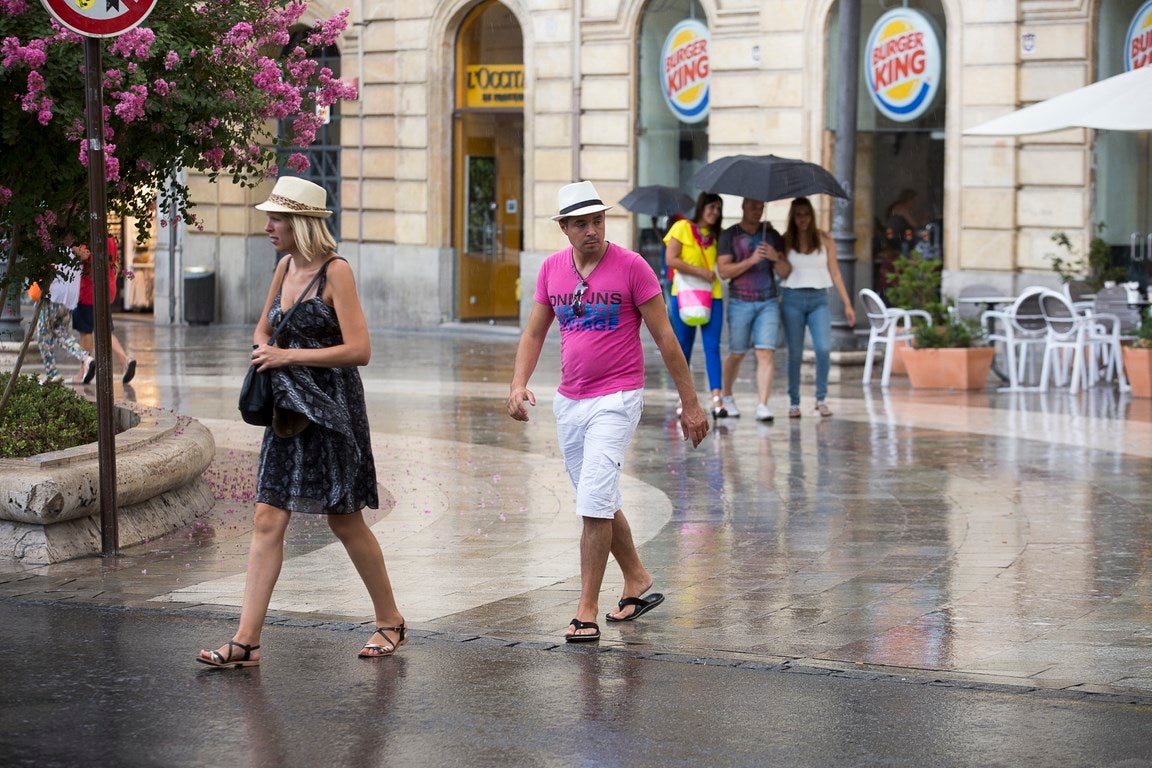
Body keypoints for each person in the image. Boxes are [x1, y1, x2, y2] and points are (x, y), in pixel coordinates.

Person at [198, 176, 405, 668]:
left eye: (276, 218)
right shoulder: (284, 265)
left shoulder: (337, 272)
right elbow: (263, 327)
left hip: (330, 412)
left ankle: (390, 619)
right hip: (287, 413)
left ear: (301, 222)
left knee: (344, 519)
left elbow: (361, 350)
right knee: (267, 516)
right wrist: (269, 352)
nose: (268, 226)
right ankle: (246, 641)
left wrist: (289, 357)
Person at [507, 180, 710, 643]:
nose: (593, 230)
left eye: (598, 220)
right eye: (582, 224)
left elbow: (665, 338)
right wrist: (518, 384)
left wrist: (691, 403)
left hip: (617, 399)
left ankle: (586, 609)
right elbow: (535, 333)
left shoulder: (633, 268)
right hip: (570, 401)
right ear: (564, 228)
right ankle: (637, 577)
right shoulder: (551, 271)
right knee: (594, 498)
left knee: (594, 501)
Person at [779, 197, 856, 419]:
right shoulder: (785, 240)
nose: (803, 219)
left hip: (819, 298)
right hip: (792, 297)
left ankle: (821, 398)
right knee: (795, 352)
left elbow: (836, 272)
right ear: (793, 217)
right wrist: (777, 257)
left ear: (812, 216)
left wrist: (848, 304)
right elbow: (781, 272)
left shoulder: (825, 239)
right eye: (798, 214)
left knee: (823, 348)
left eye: (806, 214)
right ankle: (794, 401)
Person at [716, 198, 791, 422]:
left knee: (766, 352)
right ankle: (727, 395)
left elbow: (786, 271)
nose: (757, 211)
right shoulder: (730, 235)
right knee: (737, 352)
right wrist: (752, 260)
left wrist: (774, 257)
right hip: (740, 301)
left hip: (768, 301)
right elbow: (724, 271)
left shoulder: (772, 235)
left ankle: (763, 404)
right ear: (743, 207)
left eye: (760, 207)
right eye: (752, 207)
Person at [663, 192, 727, 417]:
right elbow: (671, 259)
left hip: (713, 295)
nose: (715, 213)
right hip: (684, 294)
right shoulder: (682, 227)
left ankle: (717, 397)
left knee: (713, 347)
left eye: (719, 209)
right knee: (683, 348)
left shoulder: (719, 236)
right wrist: (700, 271)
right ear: (701, 207)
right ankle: (685, 398)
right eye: (712, 207)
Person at [71, 238, 137, 384]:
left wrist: (71, 247)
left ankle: (84, 369)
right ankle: (126, 359)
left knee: (85, 332)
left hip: (88, 291)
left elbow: (84, 256)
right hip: (106, 289)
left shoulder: (89, 238)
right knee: (105, 330)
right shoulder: (110, 239)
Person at [34, 261, 94, 384]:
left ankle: (53, 375)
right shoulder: (79, 245)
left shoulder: (59, 243)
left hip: (54, 294)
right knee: (60, 333)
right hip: (70, 297)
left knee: (43, 336)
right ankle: (86, 358)